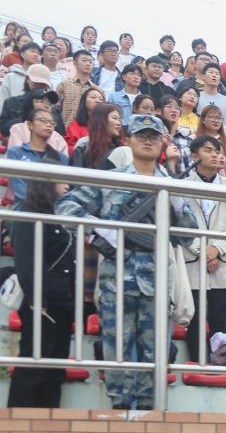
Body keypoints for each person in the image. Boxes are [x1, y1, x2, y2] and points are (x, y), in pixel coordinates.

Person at [56, 114, 198, 410]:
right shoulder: (113, 179)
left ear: (162, 142)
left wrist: (176, 201)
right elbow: (66, 205)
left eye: (154, 136)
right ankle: (120, 411)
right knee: (117, 349)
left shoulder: (170, 185)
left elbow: (189, 235)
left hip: (156, 281)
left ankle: (148, 412)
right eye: (141, 135)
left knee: (155, 353)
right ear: (128, 139)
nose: (147, 141)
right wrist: (99, 228)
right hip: (116, 280)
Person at [7, 176, 75, 408]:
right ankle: (19, 423)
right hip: (41, 302)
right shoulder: (28, 213)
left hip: (62, 302)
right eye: (61, 180)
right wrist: (37, 300)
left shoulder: (60, 214)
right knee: (32, 367)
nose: (67, 185)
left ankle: (49, 423)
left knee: (54, 371)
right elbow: (26, 261)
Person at [181, 136, 226, 361]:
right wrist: (204, 252)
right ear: (194, 155)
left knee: (219, 318)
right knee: (195, 318)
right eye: (208, 150)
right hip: (193, 260)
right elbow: (180, 225)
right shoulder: (182, 184)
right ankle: (197, 365)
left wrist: (216, 249)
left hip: (222, 261)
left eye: (218, 151)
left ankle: (219, 365)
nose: (216, 155)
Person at [6, 88, 67, 157]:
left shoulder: (58, 138)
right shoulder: (18, 129)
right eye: (40, 101)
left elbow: (63, 161)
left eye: (49, 103)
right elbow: (15, 158)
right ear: (29, 104)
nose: (46, 106)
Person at [69, 103, 124, 170]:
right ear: (101, 120)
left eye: (119, 119)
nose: (119, 123)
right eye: (114, 118)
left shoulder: (121, 149)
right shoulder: (83, 149)